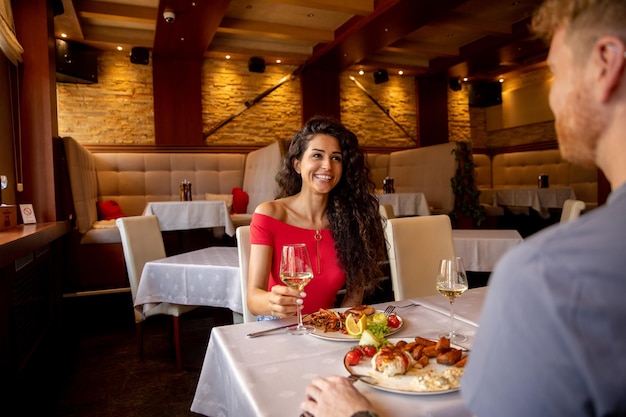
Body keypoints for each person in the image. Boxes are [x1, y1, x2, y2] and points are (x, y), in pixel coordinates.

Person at [300, 0, 626, 415]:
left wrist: (354, 414)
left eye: (556, 74)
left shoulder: (547, 276)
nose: (555, 98)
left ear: (605, 63)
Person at [246, 116, 387, 319]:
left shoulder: (351, 221)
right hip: (277, 325)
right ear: (297, 165)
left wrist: (337, 328)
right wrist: (272, 303)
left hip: (326, 327)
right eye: (317, 156)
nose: (327, 166)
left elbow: (354, 296)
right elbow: (253, 298)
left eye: (336, 158)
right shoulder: (269, 214)